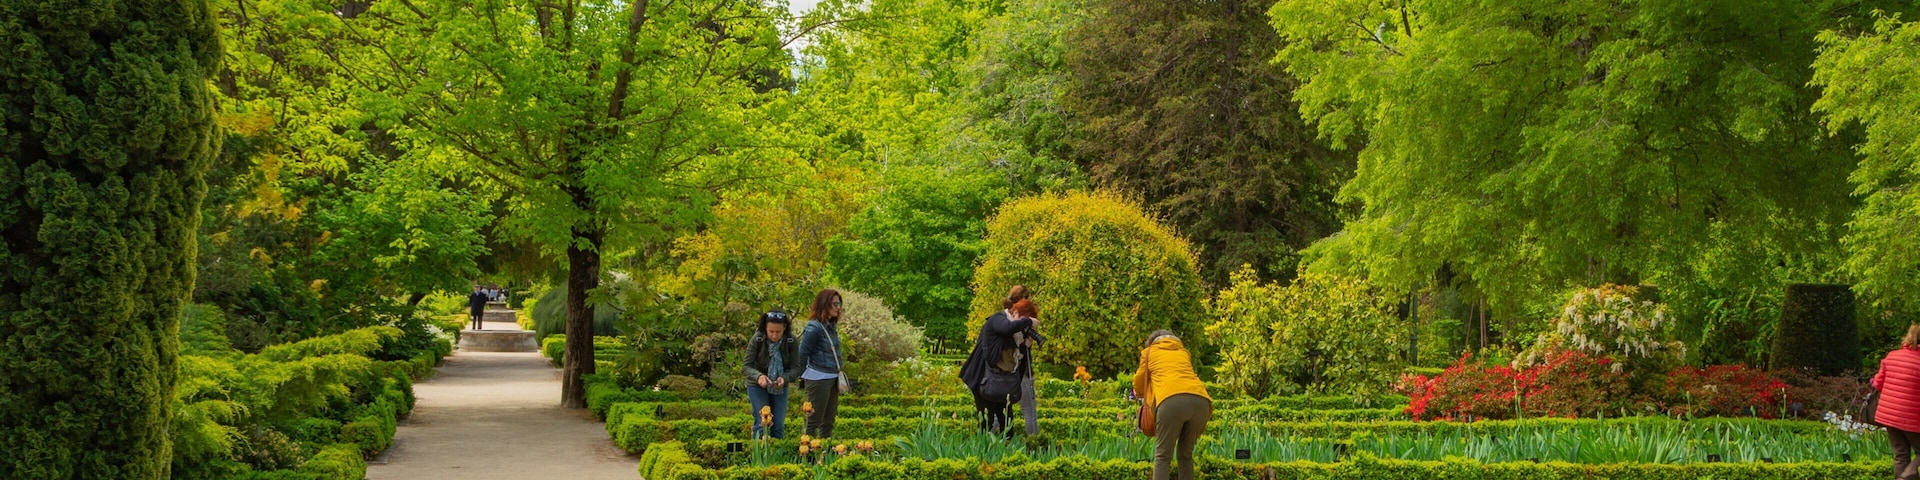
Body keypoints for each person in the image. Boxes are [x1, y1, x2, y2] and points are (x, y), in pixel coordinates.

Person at [1134, 330, 1211, 480]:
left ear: (1152, 342)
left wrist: (1139, 394)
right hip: (1201, 401)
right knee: (1185, 455)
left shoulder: (1149, 352)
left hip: (1171, 402)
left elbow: (1139, 381)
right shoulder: (1183, 352)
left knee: (1162, 456)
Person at [960, 286, 1036, 436]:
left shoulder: (1017, 331)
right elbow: (1007, 328)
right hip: (982, 377)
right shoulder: (998, 319)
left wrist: (1026, 345)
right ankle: (981, 453)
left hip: (1001, 379)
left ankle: (1008, 451)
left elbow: (1017, 363)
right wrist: (1029, 321)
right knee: (987, 420)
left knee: (1007, 419)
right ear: (1015, 311)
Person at [744, 308, 804, 439]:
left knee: (777, 425)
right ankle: (759, 455)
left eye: (778, 332)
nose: (775, 335)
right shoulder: (758, 339)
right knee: (762, 423)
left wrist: (785, 378)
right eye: (771, 331)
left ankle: (776, 457)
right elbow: (746, 367)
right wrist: (758, 376)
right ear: (765, 327)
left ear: (785, 328)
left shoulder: (791, 341)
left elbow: (796, 368)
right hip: (757, 385)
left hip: (779, 386)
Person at [796, 289, 847, 438]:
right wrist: (801, 377)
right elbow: (802, 353)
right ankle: (807, 454)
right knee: (813, 420)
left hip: (832, 377)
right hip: (818, 378)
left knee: (829, 420)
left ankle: (825, 453)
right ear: (824, 304)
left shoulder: (830, 327)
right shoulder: (814, 327)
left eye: (839, 304)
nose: (838, 308)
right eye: (835, 304)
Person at [1874, 324, 1920, 480]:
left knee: (1901, 454)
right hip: (1913, 417)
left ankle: (1904, 476)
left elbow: (1878, 384)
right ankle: (1907, 475)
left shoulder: (1892, 356)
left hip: (1890, 415)